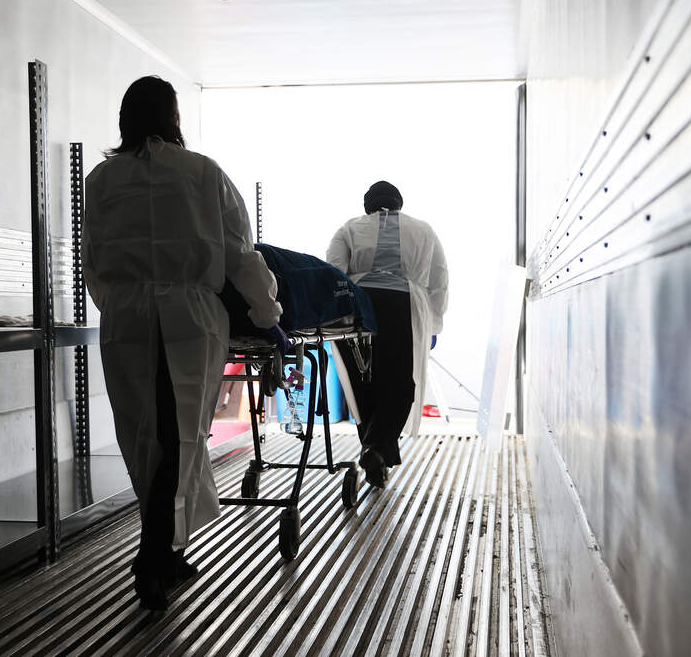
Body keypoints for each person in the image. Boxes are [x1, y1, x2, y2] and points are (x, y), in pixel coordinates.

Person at [82, 76, 286, 611]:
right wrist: (267, 314)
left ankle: (168, 551)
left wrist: (123, 305)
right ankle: (152, 559)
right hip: (189, 320)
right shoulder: (203, 173)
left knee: (144, 437)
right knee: (180, 437)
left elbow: (94, 262)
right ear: (174, 117)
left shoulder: (101, 180)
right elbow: (240, 253)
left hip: (126, 321)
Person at [327, 180, 448, 488]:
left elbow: (333, 272)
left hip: (358, 308)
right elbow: (439, 281)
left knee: (362, 384)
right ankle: (376, 451)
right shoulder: (424, 230)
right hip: (404, 307)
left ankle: (376, 453)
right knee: (400, 384)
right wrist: (433, 324)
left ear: (367, 207)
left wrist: (334, 316)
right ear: (399, 204)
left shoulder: (349, 228)